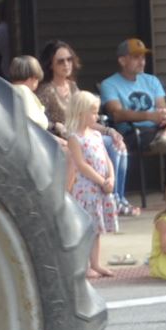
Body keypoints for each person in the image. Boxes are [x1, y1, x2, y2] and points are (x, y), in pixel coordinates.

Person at [41, 39, 131, 219]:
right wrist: (55, 127)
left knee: (116, 145)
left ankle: (117, 197)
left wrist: (110, 131)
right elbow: (40, 121)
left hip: (83, 134)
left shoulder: (73, 87)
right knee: (104, 145)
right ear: (50, 65)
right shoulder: (46, 90)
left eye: (69, 59)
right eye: (60, 61)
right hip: (65, 140)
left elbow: (87, 119)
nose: (67, 64)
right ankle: (110, 195)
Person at [98, 37, 166, 186]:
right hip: (134, 133)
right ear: (122, 61)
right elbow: (117, 114)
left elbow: (161, 107)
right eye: (136, 57)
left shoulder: (152, 80)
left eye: (143, 57)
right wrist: (149, 116)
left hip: (158, 130)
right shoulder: (109, 84)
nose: (142, 62)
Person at [52, 89, 117, 281]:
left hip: (100, 188)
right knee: (85, 229)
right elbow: (80, 164)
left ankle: (96, 263)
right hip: (86, 188)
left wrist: (111, 177)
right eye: (93, 112)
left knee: (96, 229)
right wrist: (101, 180)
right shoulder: (74, 137)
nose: (96, 116)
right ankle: (84, 265)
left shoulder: (96, 135)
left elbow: (107, 159)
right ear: (81, 113)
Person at [5, 54, 52, 130]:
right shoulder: (23, 91)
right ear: (33, 78)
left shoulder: (9, 89)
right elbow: (35, 122)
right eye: (37, 79)